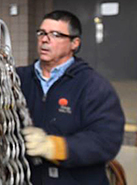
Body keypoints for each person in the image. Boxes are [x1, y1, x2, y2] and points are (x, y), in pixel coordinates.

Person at [16, 10, 125, 185]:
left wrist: (55, 147)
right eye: (42, 33)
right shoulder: (18, 78)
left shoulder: (93, 85)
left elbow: (107, 139)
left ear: (74, 43)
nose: (45, 39)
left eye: (56, 35)